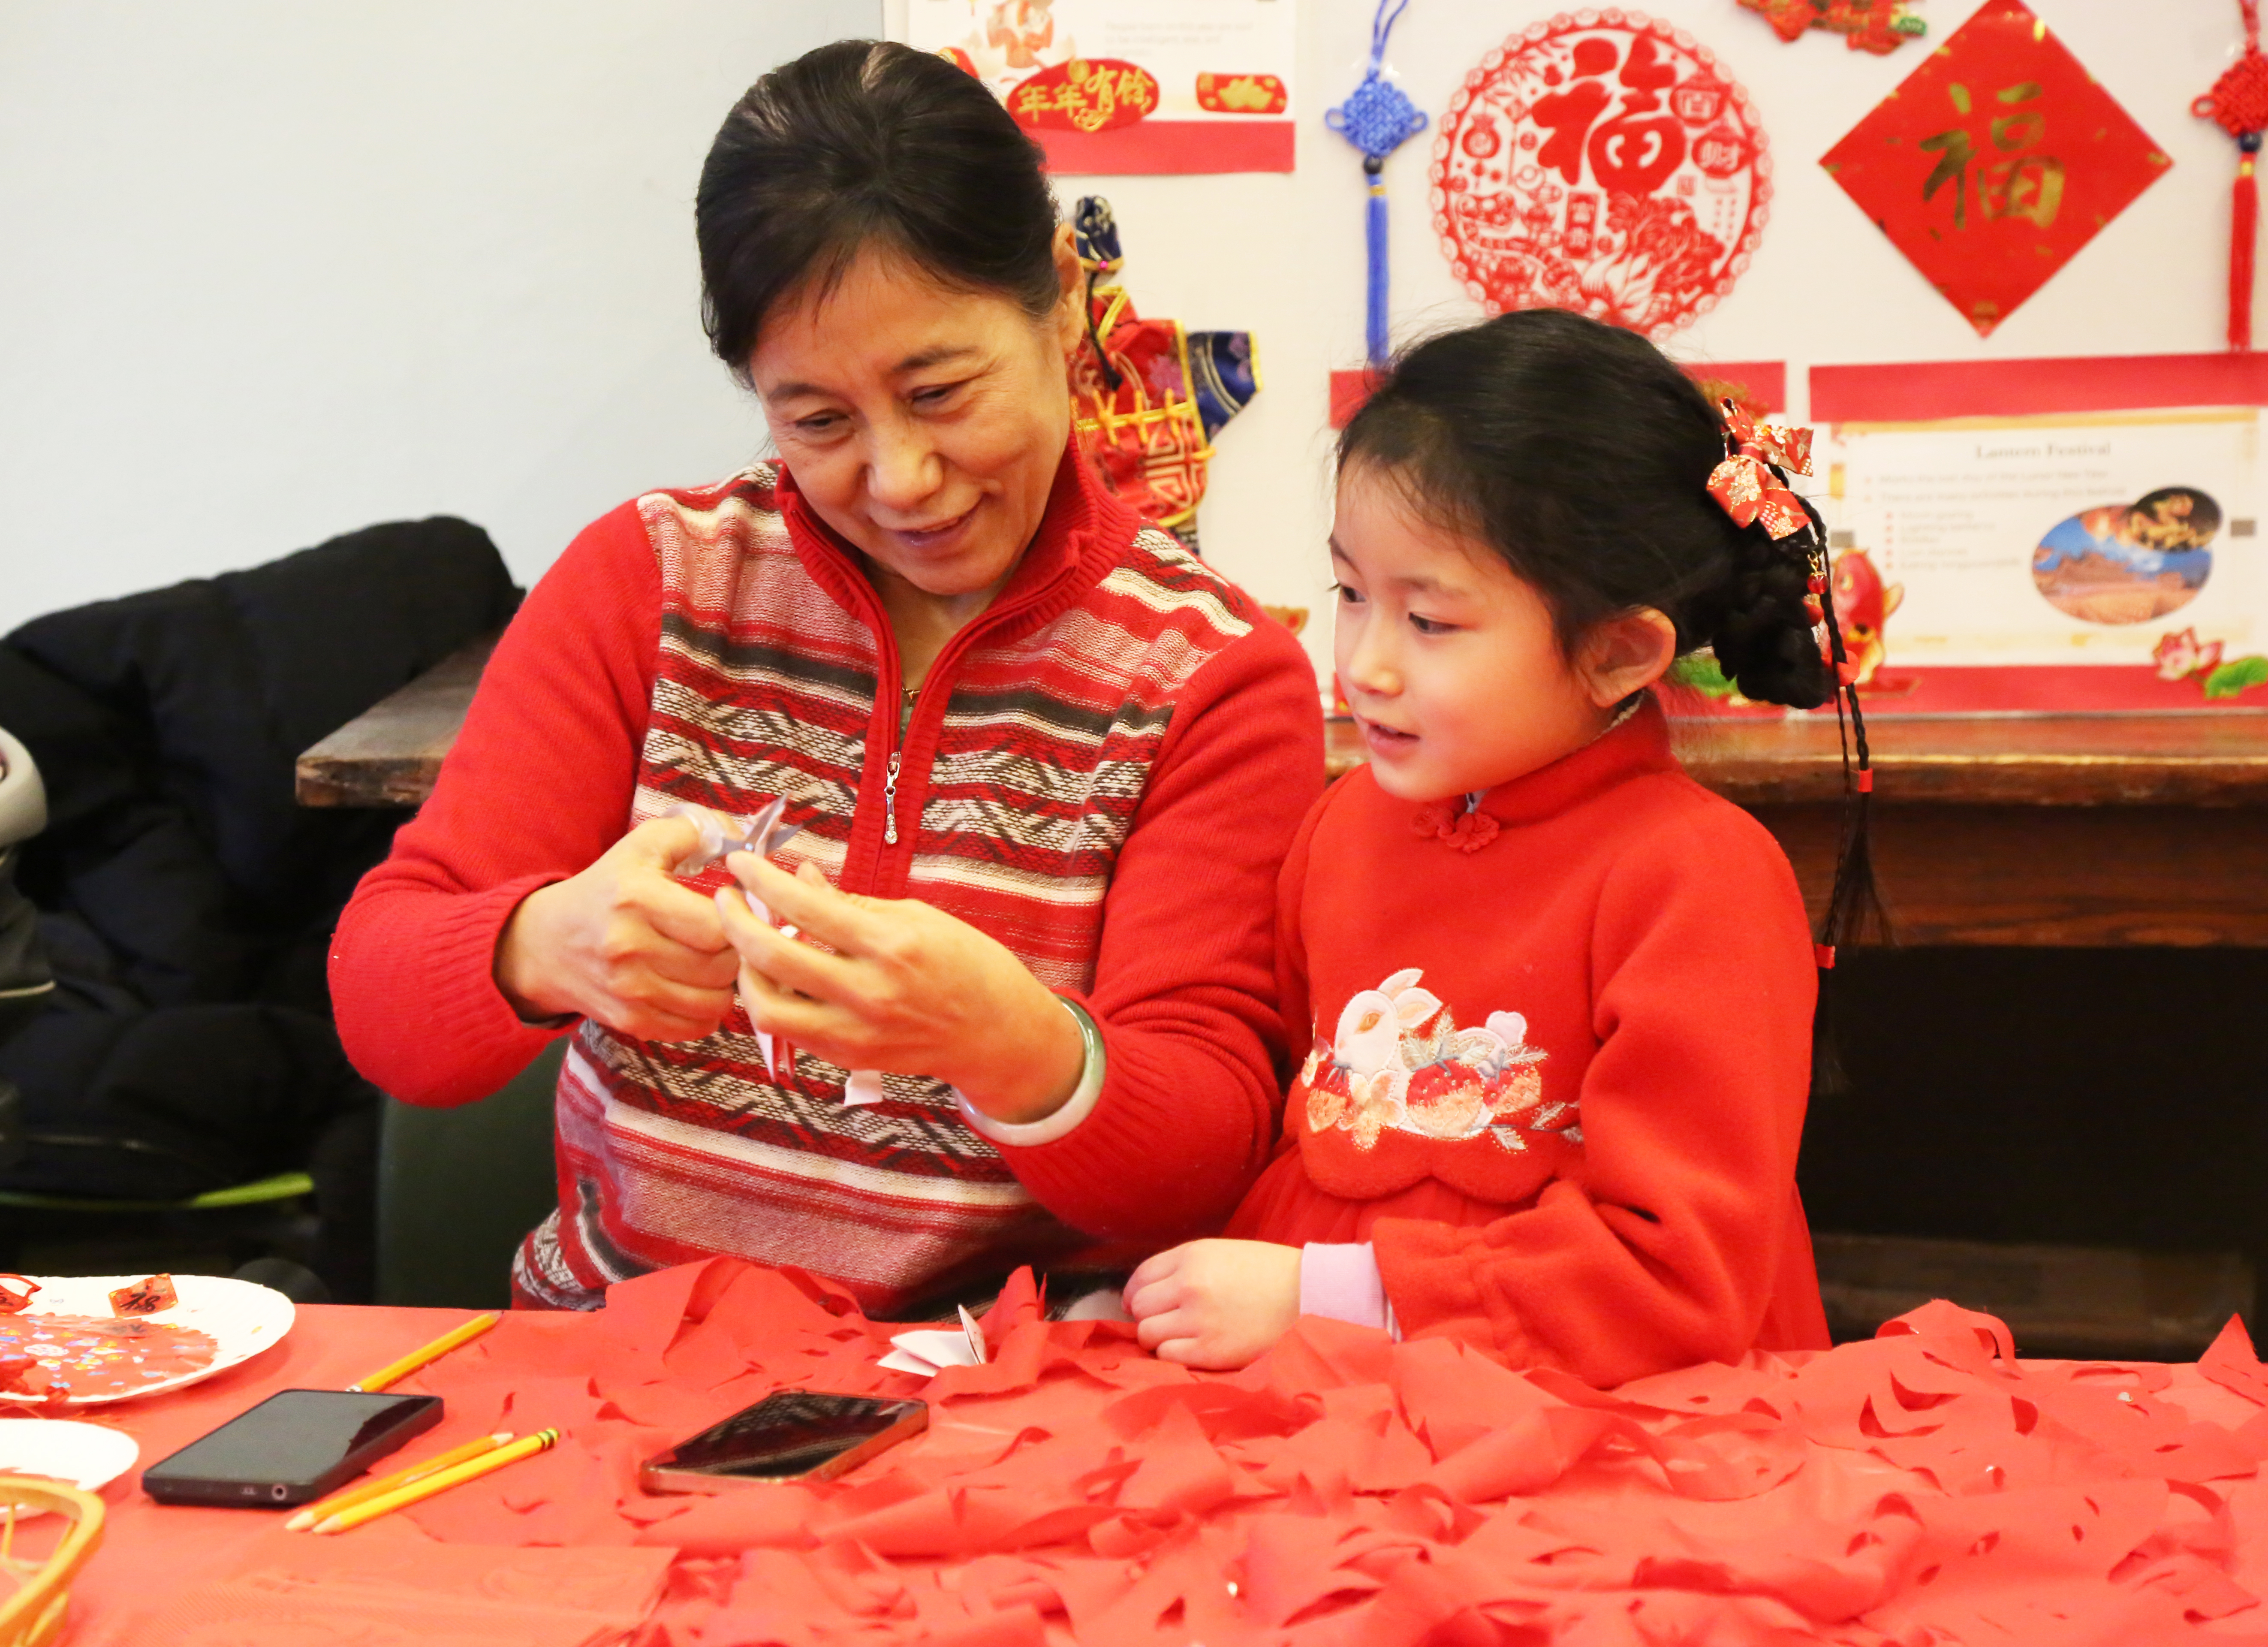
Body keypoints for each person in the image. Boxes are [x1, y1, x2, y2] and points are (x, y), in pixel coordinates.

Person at [330, 40, 1322, 1313]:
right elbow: (382, 995)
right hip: (628, 1363)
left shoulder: (1204, 672)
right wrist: (539, 946)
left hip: (1001, 1382)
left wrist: (1009, 1043)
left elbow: (1203, 1157)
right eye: (818, 421)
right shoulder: (657, 583)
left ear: (1065, 300)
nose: (902, 478)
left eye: (941, 391)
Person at [1122, 310, 1835, 1385]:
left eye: (1430, 622)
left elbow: (1676, 1277)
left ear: (1616, 652)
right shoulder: (1341, 824)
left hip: (1574, 1406)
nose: (1364, 665)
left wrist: (1327, 1299)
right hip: (1306, 1379)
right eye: (1350, 595)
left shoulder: (1697, 879)